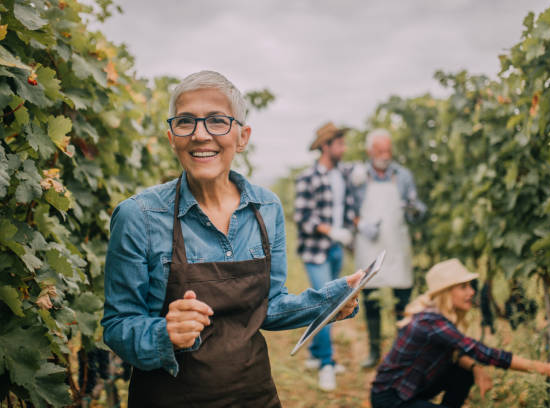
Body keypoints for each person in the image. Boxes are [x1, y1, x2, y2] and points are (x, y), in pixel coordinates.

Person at [101, 70, 363, 408]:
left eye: (217, 121)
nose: (200, 135)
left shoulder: (266, 208)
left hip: (254, 395)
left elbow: (268, 307)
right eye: (185, 122)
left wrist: (329, 302)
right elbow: (117, 325)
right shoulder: (138, 216)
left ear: (242, 137)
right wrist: (163, 334)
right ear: (171, 137)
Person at [370, 259, 550, 408]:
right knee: (469, 365)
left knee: (463, 372)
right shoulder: (431, 322)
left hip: (411, 389)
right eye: (463, 287)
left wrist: (476, 368)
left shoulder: (436, 318)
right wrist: (545, 368)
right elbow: (482, 351)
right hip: (390, 400)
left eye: (470, 286)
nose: (472, 292)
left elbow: (464, 353)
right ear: (446, 292)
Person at [351, 128, 427, 368]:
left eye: (388, 150)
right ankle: (374, 352)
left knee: (401, 300)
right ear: (369, 151)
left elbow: (415, 210)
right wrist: (361, 224)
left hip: (396, 245)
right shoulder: (359, 177)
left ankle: (401, 353)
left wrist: (417, 210)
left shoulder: (403, 176)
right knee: (371, 298)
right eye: (380, 150)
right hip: (369, 245)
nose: (385, 155)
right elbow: (347, 210)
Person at [293, 121, 358, 391]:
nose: (343, 148)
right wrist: (331, 230)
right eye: (339, 144)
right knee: (328, 303)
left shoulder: (343, 175)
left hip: (335, 250)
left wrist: (354, 226)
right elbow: (302, 217)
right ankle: (327, 364)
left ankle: (316, 354)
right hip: (316, 250)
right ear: (326, 146)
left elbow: (350, 206)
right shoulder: (308, 177)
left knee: (331, 300)